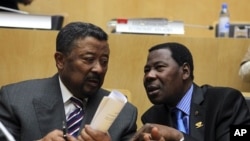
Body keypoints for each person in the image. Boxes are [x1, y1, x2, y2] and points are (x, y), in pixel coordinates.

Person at [0, 22, 137, 141]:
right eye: (88, 59)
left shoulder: (123, 114)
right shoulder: (15, 100)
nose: (99, 69)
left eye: (104, 62)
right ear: (60, 60)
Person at [130, 42, 250, 141]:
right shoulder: (152, 117)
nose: (149, 75)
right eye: (146, 70)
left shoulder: (226, 101)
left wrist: (179, 137)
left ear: (185, 71)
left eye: (159, 67)